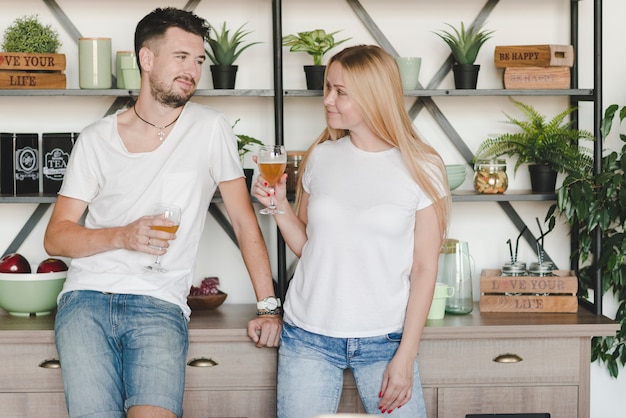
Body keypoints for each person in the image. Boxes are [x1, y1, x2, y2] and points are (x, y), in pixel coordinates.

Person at [43, 7, 281, 418]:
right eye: (181, 57)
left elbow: (245, 222)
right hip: (85, 303)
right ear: (146, 59)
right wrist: (122, 235)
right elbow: (56, 237)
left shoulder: (210, 129)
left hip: (159, 304)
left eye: (200, 60)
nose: (193, 70)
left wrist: (268, 307)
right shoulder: (96, 138)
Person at [253, 44, 451, 417]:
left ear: (374, 96)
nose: (328, 99)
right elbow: (309, 246)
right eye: (328, 87)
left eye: (340, 92)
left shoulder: (422, 166)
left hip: (385, 340)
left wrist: (405, 357)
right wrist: (277, 205)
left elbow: (424, 268)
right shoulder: (322, 156)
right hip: (307, 336)